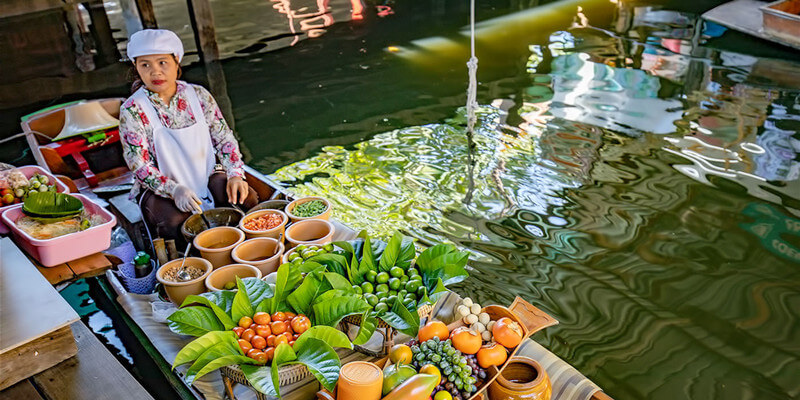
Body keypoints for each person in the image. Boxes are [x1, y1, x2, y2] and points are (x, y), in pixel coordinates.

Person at [119, 29, 258, 244]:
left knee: (245, 198)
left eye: (162, 62)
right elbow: (140, 166)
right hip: (161, 189)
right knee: (176, 223)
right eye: (145, 65)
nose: (155, 72)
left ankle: (248, 246)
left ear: (177, 62)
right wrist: (174, 190)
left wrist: (235, 174)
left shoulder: (199, 95)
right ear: (136, 68)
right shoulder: (132, 110)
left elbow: (224, 139)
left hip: (206, 175)